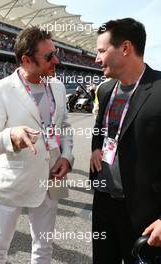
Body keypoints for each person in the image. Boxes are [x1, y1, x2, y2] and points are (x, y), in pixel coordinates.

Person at [0, 26, 74, 264]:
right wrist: (11, 135)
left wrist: (66, 156)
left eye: (55, 53)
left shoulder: (56, 86)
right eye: (49, 57)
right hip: (13, 183)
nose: (56, 60)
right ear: (26, 59)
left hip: (51, 178)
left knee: (43, 248)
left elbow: (64, 126)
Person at [90, 18, 161, 264]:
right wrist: (95, 150)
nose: (96, 58)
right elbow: (102, 130)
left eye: (101, 51)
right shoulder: (106, 90)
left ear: (126, 48)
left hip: (145, 213)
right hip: (103, 203)